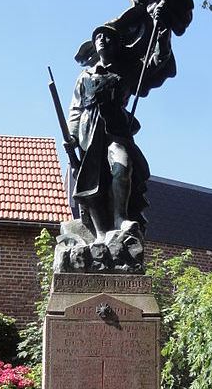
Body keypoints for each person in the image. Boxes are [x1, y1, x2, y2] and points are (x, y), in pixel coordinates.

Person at [67, 13, 173, 243]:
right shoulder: (84, 76)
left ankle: (120, 219)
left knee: (122, 167)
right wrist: (73, 137)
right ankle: (100, 233)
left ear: (116, 44)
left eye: (108, 37)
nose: (103, 40)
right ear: (94, 45)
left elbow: (156, 62)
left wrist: (162, 32)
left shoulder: (126, 70)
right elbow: (75, 109)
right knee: (91, 183)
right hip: (89, 131)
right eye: (99, 37)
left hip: (116, 128)